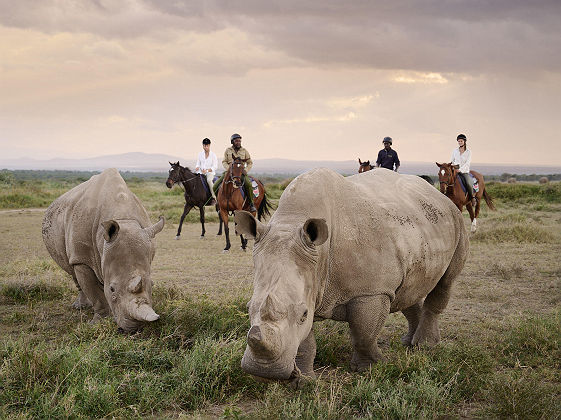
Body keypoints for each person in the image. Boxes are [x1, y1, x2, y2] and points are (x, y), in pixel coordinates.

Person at [213, 133, 256, 212]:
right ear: (232, 142)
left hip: (240, 173)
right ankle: (218, 203)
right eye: (236, 141)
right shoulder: (228, 150)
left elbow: (250, 162)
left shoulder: (244, 151)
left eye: (239, 141)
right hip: (229, 172)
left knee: (248, 184)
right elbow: (224, 162)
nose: (238, 142)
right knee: (215, 186)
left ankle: (251, 203)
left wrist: (245, 170)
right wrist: (229, 169)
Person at [451, 133, 477, 207]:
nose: (460, 142)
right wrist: (452, 167)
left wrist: (460, 170)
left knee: (468, 183)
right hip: (455, 170)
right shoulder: (455, 151)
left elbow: (467, 163)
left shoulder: (469, 152)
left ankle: (472, 198)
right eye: (458, 141)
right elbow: (452, 161)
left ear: (464, 141)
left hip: (464, 171)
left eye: (461, 141)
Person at [194, 137, 218, 205]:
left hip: (210, 173)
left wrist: (207, 170)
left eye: (207, 145)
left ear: (209, 145)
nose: (205, 147)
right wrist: (197, 167)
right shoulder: (200, 154)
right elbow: (198, 163)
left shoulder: (213, 155)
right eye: (204, 145)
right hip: (200, 172)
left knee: (209, 181)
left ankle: (214, 197)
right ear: (203, 145)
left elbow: (215, 166)